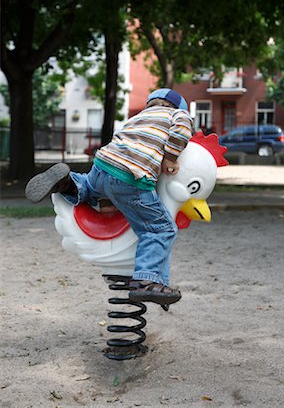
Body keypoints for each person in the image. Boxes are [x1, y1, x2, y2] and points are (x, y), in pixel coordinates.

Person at [25, 88, 194, 307]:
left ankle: (68, 183)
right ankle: (147, 281)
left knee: (91, 188)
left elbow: (118, 140)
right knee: (159, 228)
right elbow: (181, 131)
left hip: (104, 164)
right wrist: (170, 159)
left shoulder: (136, 118)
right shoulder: (177, 115)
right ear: (178, 107)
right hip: (131, 176)